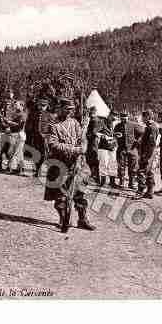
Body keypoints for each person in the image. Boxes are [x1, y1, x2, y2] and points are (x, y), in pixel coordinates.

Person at [44, 98, 95, 233]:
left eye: (71, 110)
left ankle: (82, 219)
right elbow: (53, 144)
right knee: (61, 194)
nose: (69, 112)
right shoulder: (53, 125)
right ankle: (63, 219)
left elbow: (82, 139)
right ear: (60, 108)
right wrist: (74, 149)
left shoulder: (75, 123)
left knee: (80, 192)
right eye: (67, 109)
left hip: (78, 163)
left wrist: (83, 147)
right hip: (60, 164)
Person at [114, 112, 143, 189]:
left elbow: (142, 133)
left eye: (125, 117)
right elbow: (114, 134)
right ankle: (121, 182)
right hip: (121, 149)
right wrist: (116, 135)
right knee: (121, 166)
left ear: (128, 117)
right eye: (122, 117)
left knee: (133, 167)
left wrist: (138, 141)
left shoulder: (133, 124)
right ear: (120, 118)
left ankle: (132, 183)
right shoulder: (117, 126)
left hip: (132, 149)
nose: (124, 118)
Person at [136, 110, 160, 199]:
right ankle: (149, 192)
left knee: (141, 171)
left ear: (148, 117)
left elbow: (151, 143)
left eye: (143, 117)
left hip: (148, 153)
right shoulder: (150, 126)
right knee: (149, 172)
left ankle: (140, 192)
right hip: (149, 153)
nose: (142, 119)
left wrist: (145, 155)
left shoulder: (151, 127)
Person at [97, 112, 119, 187]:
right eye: (114, 116)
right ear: (110, 115)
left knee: (112, 164)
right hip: (103, 147)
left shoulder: (112, 123)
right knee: (103, 164)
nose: (115, 119)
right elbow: (95, 132)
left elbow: (111, 133)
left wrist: (115, 134)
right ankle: (102, 182)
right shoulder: (102, 122)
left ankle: (112, 182)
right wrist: (102, 136)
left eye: (116, 117)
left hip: (112, 146)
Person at [6, 99, 27, 174]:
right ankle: (21, 169)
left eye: (17, 104)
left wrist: (10, 122)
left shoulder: (23, 114)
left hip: (19, 134)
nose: (15, 106)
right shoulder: (15, 113)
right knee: (18, 152)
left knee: (15, 152)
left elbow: (20, 125)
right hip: (14, 134)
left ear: (21, 106)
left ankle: (11, 168)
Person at [85, 106, 101, 184]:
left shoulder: (94, 120)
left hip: (93, 143)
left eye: (90, 112)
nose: (89, 114)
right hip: (92, 142)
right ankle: (95, 176)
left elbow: (94, 132)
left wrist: (87, 135)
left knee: (93, 160)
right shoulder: (94, 120)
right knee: (92, 159)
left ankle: (96, 177)